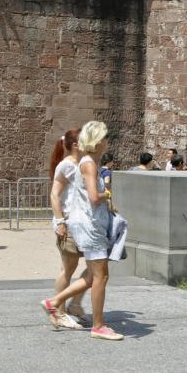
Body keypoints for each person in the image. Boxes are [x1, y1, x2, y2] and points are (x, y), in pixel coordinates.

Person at [42, 121, 123, 340]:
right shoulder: (81, 164)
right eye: (105, 138)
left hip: (81, 222)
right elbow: (88, 197)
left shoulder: (84, 162)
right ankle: (63, 310)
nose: (107, 142)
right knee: (88, 274)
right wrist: (105, 194)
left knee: (93, 275)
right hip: (79, 223)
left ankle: (66, 304)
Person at [45, 128, 88, 330]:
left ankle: (75, 304)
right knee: (68, 269)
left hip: (87, 224)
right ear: (75, 145)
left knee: (98, 267)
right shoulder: (66, 165)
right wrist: (60, 221)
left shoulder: (85, 163)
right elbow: (55, 195)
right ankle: (59, 312)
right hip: (70, 223)